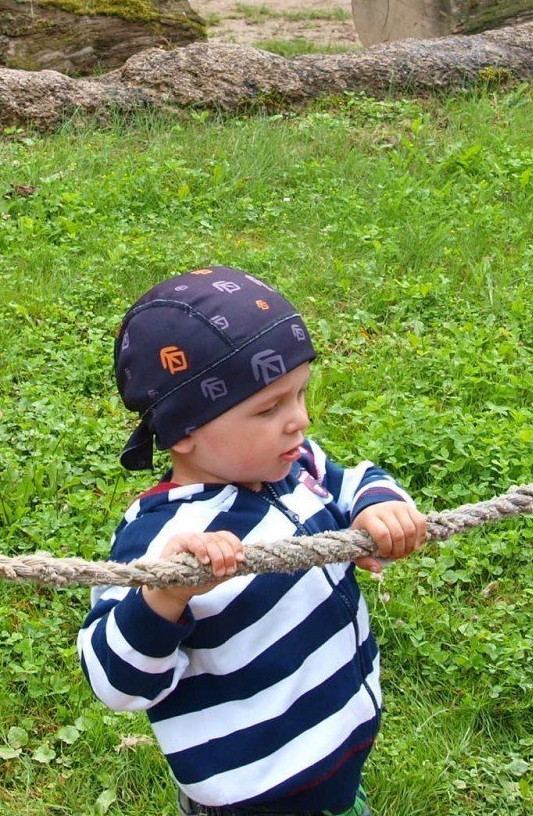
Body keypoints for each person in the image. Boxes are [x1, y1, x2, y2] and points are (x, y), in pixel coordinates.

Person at [78, 266, 428, 816]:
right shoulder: (161, 538)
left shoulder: (290, 465)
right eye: (269, 408)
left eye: (300, 394)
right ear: (184, 430)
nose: (300, 421)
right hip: (254, 791)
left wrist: (379, 505)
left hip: (332, 744)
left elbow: (351, 478)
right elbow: (113, 681)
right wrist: (166, 597)